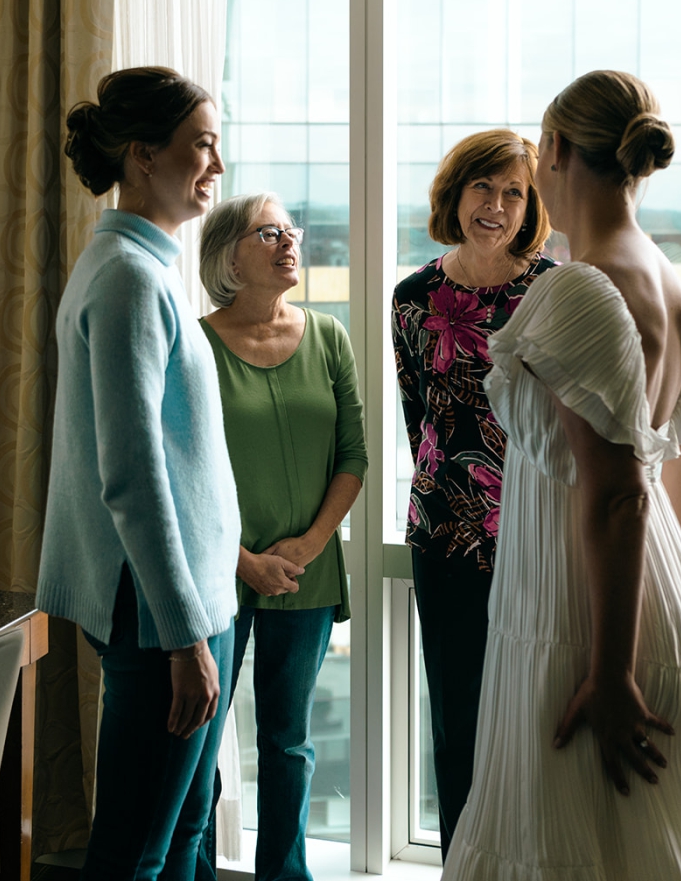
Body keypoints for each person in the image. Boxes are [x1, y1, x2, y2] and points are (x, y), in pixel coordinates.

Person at [442, 71, 681, 880]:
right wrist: (662, 607)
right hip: (649, 608)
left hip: (583, 627)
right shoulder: (664, 278)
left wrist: (613, 665)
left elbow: (617, 491)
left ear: (552, 150)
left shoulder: (583, 287)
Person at [36, 66, 239, 881]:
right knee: (135, 853)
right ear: (142, 155)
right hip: (162, 612)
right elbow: (130, 471)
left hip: (184, 600)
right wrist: (183, 634)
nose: (215, 166)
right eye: (201, 146)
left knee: (186, 827)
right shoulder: (125, 278)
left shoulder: (140, 267)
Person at [390, 128, 555, 854]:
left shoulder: (552, 291)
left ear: (532, 204)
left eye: (513, 191)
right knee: (457, 721)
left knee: (532, 720)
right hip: (442, 534)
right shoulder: (413, 296)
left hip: (535, 533)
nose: (496, 204)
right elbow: (416, 416)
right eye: (482, 187)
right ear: (454, 193)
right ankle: (462, 865)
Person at [195, 193, 367, 881]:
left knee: (288, 743)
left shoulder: (328, 336)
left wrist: (310, 543)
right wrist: (243, 561)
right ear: (229, 255)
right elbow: (180, 474)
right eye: (269, 232)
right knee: (200, 740)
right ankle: (195, 869)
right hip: (217, 573)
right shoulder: (196, 344)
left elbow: (354, 455)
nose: (288, 241)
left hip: (306, 574)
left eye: (291, 229)